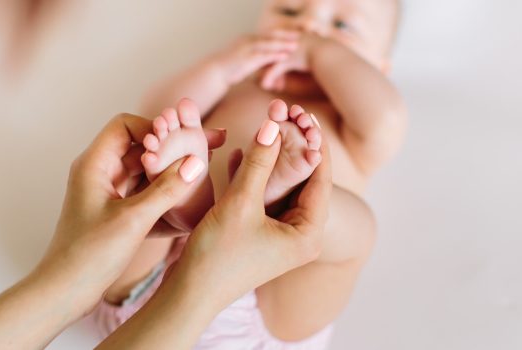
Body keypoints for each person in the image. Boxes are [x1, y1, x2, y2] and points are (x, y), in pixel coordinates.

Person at [0, 0, 343, 348]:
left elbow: (384, 117)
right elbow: (168, 102)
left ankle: (196, 189)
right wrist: (201, 286)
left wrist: (70, 274)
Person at [96, 0, 403, 346]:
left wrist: (320, 54)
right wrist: (221, 69)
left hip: (272, 308)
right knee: (140, 168)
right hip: (157, 285)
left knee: (355, 230)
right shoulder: (239, 85)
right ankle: (188, 196)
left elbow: (387, 119)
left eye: (342, 27)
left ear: (379, 69)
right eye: (289, 12)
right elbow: (153, 114)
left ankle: (286, 200)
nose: (308, 29)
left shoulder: (356, 127)